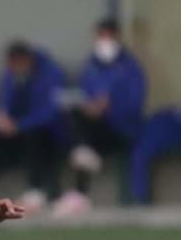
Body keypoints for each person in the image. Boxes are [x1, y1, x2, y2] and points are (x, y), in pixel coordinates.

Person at [54, 18, 147, 215]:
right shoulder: (91, 67)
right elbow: (83, 94)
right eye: (100, 36)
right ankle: (79, 191)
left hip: (120, 130)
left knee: (86, 141)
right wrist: (91, 106)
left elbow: (135, 105)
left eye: (108, 36)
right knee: (77, 119)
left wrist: (108, 108)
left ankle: (78, 192)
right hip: (93, 128)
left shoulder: (130, 68)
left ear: (117, 37)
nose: (104, 41)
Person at [0, 41, 69, 211]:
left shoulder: (51, 74)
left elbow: (50, 113)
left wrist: (19, 125)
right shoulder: (11, 75)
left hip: (49, 135)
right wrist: (2, 119)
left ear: (27, 60)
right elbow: (7, 105)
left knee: (35, 136)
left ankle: (36, 191)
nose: (14, 68)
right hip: (17, 133)